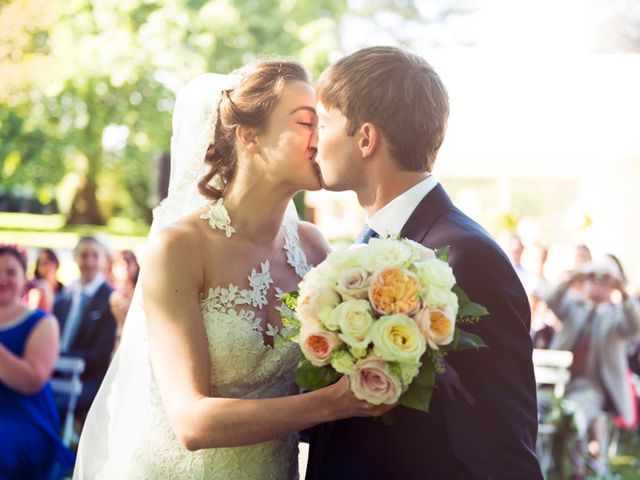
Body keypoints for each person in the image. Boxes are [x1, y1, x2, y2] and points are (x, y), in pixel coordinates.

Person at [74, 60, 391, 479]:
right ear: (248, 135)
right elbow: (190, 421)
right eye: (305, 122)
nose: (321, 139)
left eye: (323, 124)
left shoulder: (314, 248)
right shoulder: (181, 247)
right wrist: (334, 402)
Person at [306, 46, 542, 479]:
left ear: (365, 138)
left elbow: (502, 445)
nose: (313, 141)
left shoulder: (468, 258)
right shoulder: (364, 246)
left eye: (322, 124)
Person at [544, 256, 640, 479]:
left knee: (575, 416)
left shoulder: (617, 315)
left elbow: (635, 323)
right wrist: (574, 276)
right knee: (532, 407)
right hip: (555, 382)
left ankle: (574, 472)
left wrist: (622, 290)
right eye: (593, 277)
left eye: (604, 280)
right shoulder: (572, 305)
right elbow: (550, 298)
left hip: (592, 388)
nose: (597, 282)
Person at [0, 244, 75, 478]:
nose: (1, 278)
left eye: (11, 272)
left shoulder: (41, 323)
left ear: (24, 280)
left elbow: (32, 380)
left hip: (25, 419)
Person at [53, 236, 116, 418]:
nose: (89, 262)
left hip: (88, 379)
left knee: (52, 407)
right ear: (75, 258)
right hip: (55, 373)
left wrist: (61, 356)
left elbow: (101, 355)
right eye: (84, 255)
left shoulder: (110, 300)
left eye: (95, 256)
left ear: (104, 260)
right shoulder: (62, 299)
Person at [108, 249, 140, 352]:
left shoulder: (139, 294)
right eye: (120, 264)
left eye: (128, 262)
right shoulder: (113, 296)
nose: (125, 267)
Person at [27, 248, 66, 313]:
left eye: (51, 262)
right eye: (43, 263)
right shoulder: (35, 289)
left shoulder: (64, 290)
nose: (47, 267)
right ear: (37, 267)